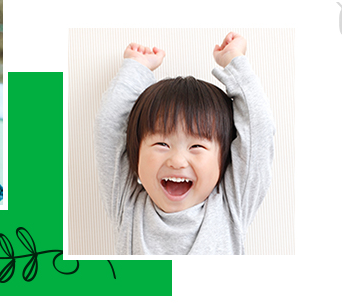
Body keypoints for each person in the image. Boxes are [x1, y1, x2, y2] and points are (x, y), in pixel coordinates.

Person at [95, 33, 273, 255]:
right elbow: (109, 127)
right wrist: (136, 68)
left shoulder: (231, 207)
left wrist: (234, 61)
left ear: (223, 158)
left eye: (196, 147)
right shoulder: (128, 206)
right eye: (162, 143)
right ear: (136, 152)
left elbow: (259, 129)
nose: (177, 161)